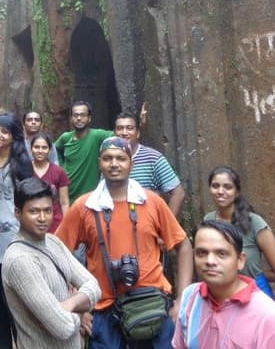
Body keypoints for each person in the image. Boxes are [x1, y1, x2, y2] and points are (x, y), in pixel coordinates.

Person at [56, 136, 193, 349]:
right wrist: (77, 304)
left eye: (121, 158)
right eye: (107, 158)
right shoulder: (84, 206)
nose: (114, 164)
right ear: (99, 163)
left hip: (151, 305)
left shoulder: (151, 202)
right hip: (103, 308)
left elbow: (184, 246)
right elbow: (57, 254)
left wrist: (182, 300)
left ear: (132, 164)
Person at [2, 178, 101, 349]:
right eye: (34, 211)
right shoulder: (20, 260)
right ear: (18, 213)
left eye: (47, 211)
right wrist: (82, 311)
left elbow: (95, 287)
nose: (42, 218)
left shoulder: (53, 242)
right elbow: (62, 328)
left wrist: (69, 304)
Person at [173, 220, 275, 348]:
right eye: (202, 253)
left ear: (240, 260)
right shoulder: (191, 297)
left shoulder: (270, 320)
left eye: (221, 254)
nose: (210, 261)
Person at [0, 113, 34, 349]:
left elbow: (31, 198)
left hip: (15, 244)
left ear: (14, 136)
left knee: (18, 310)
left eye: (4, 131)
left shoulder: (21, 164)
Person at [203, 166, 275, 299]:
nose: (220, 191)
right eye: (215, 186)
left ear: (237, 192)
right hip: (221, 295)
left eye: (227, 187)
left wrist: (251, 276)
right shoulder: (208, 220)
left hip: (255, 294)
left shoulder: (254, 223)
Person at [114, 108, 185, 216]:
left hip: (148, 225)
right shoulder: (110, 159)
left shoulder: (153, 158)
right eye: (120, 128)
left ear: (137, 133)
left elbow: (178, 193)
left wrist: (167, 227)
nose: (124, 133)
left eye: (129, 128)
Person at [54, 101, 113, 202]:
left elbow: (121, 135)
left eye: (83, 115)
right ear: (71, 118)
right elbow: (54, 150)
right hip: (67, 192)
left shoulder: (97, 136)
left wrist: (140, 125)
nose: (79, 118)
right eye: (75, 115)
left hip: (91, 197)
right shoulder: (65, 138)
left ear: (89, 118)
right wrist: (61, 167)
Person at [29, 132, 70, 232]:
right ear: (31, 149)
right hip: (30, 223)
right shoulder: (25, 170)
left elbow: (64, 202)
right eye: (36, 147)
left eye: (44, 147)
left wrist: (67, 224)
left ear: (50, 150)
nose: (40, 151)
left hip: (55, 223)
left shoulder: (59, 171)